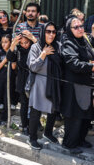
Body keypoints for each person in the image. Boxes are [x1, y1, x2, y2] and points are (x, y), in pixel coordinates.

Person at [61, 17, 94, 154]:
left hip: (86, 85)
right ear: (69, 29)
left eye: (81, 26)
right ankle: (69, 144)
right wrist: (91, 66)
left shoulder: (84, 41)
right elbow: (73, 63)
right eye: (76, 27)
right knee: (75, 117)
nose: (80, 29)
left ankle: (80, 140)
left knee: (85, 115)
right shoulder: (68, 44)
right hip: (74, 87)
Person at [26, 22, 61, 150]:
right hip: (39, 84)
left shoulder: (58, 47)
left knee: (53, 110)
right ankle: (32, 138)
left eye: (53, 32)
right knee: (36, 112)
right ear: (42, 32)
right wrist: (44, 54)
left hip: (54, 84)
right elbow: (32, 67)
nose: (51, 34)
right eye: (48, 31)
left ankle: (48, 133)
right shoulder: (36, 47)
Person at [6, 34, 33, 135]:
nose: (24, 45)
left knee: (33, 104)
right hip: (22, 79)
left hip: (33, 78)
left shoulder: (33, 48)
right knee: (24, 104)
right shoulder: (18, 50)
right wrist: (13, 44)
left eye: (26, 42)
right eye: (21, 43)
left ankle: (33, 125)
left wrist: (33, 40)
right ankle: (24, 126)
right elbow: (9, 57)